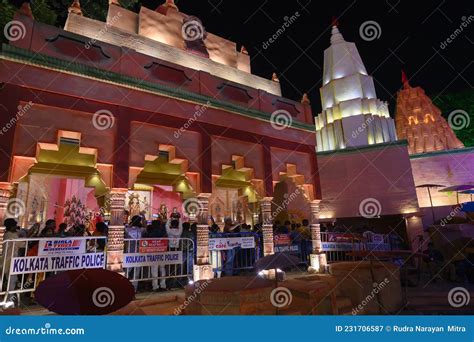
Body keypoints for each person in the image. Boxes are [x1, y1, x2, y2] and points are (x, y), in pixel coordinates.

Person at [1, 219, 23, 301]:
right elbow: (22, 244)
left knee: (12, 280)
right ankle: (9, 300)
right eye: (14, 226)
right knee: (12, 280)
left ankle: (9, 299)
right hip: (10, 261)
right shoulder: (11, 235)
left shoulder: (8, 234)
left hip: (8, 260)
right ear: (11, 226)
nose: (16, 227)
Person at [143, 220, 167, 291]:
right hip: (162, 252)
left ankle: (155, 286)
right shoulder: (163, 231)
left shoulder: (150, 232)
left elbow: (146, 238)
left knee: (154, 269)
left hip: (153, 253)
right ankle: (163, 285)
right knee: (162, 269)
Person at [125, 215, 145, 291]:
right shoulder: (142, 230)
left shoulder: (127, 230)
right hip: (139, 253)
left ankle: (124, 286)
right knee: (136, 272)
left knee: (127, 271)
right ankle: (134, 288)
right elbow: (145, 227)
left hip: (129, 252)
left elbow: (125, 227)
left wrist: (130, 224)